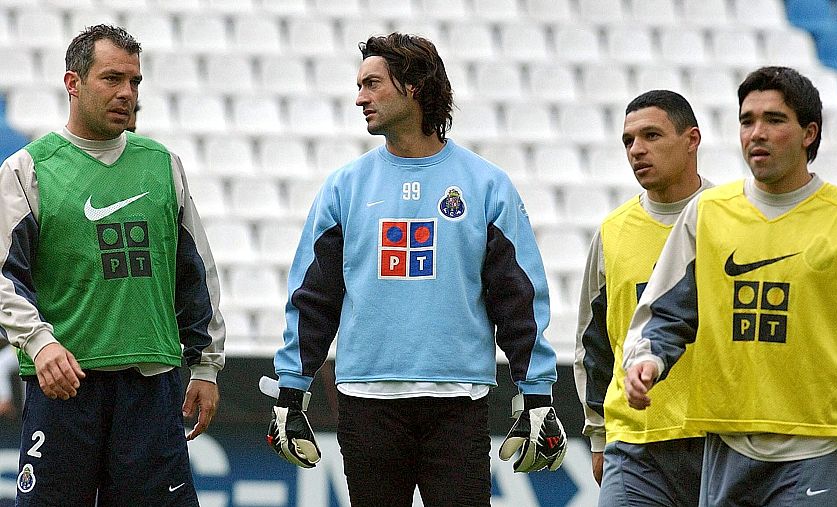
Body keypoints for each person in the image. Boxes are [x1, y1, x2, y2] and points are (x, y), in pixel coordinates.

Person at [265, 32, 567, 506]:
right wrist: (291, 390)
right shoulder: (344, 187)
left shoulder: (487, 185)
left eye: (371, 83)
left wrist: (538, 395)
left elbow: (518, 298)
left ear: (413, 87)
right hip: (366, 400)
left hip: (458, 401)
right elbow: (313, 297)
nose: (359, 97)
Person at [622, 66, 837, 507]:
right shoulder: (706, 214)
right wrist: (648, 360)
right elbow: (664, 312)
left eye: (774, 120)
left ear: (809, 133)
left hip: (813, 447)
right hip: (725, 442)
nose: (757, 133)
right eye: (747, 120)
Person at [0, 25, 225, 506]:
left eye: (135, 81)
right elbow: (3, 274)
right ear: (73, 83)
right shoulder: (28, 169)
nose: (127, 92)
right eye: (112, 78)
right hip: (64, 387)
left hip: (150, 387)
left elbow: (196, 273)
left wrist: (205, 366)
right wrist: (39, 344)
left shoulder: (162, 165)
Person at [574, 90, 713, 504]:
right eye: (628, 141)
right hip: (635, 445)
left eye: (651, 135)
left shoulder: (733, 220)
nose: (637, 150)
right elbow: (593, 340)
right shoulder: (613, 232)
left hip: (720, 440)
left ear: (692, 139)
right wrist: (599, 433)